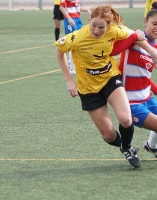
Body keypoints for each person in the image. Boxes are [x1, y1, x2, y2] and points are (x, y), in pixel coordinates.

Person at [54, 4, 157, 168]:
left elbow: (136, 35)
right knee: (109, 134)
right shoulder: (78, 37)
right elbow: (59, 51)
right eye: (93, 25)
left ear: (109, 26)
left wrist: (152, 52)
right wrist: (68, 80)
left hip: (110, 79)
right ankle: (124, 146)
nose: (95, 30)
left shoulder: (115, 31)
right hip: (88, 89)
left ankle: (127, 147)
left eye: (101, 27)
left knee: (125, 118)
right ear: (89, 21)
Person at [114, 2, 157, 158]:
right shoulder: (135, 37)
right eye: (154, 24)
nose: (156, 28)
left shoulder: (156, 45)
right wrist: (152, 52)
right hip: (130, 103)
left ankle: (152, 146)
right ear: (145, 21)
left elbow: (145, 76)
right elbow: (117, 47)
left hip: (147, 97)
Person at [59, 0, 91, 75]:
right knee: (73, 43)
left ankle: (71, 62)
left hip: (77, 19)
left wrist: (87, 10)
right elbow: (61, 7)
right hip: (70, 19)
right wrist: (69, 18)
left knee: (80, 40)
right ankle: (72, 68)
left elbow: (76, 7)